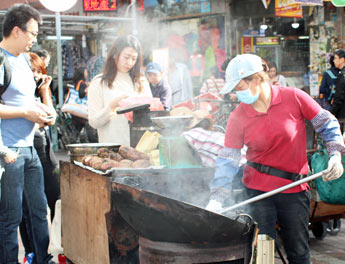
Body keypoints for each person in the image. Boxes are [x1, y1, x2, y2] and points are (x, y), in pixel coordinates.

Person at [206, 54, 344, 264]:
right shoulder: (238, 116)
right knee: (264, 253)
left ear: (257, 79)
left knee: (298, 251)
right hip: (258, 191)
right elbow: (228, 158)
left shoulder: (294, 97)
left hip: (295, 188)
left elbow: (327, 124)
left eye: (239, 86)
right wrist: (217, 196)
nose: (236, 93)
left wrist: (335, 155)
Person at [0, 4, 55, 264]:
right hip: (8, 150)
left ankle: (42, 258)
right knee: (10, 217)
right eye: (32, 33)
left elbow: (25, 100)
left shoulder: (23, 60)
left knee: (38, 211)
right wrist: (25, 113)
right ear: (16, 31)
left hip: (31, 147)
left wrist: (43, 110)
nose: (35, 39)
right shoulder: (0, 59)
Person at [19, 52, 60, 256]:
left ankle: (51, 247)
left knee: (56, 197)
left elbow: (51, 118)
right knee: (28, 207)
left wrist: (44, 91)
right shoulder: (17, 93)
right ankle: (32, 253)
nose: (36, 75)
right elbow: (47, 117)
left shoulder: (37, 92)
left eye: (38, 71)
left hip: (43, 144)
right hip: (25, 145)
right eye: (32, 71)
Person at [88, 35, 152, 145]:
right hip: (113, 150)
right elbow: (94, 122)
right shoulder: (99, 82)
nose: (130, 63)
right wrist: (111, 107)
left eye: (134, 59)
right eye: (126, 57)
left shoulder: (141, 81)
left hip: (140, 149)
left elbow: (151, 112)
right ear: (115, 55)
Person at [71, 66, 98, 143]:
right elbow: (81, 94)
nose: (87, 73)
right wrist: (88, 88)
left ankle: (72, 147)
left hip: (76, 112)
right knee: (91, 134)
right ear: (82, 73)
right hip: (83, 113)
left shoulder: (77, 83)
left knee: (76, 131)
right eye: (86, 72)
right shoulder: (82, 83)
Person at [330, 50, 345, 122]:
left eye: (335, 58)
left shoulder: (342, 75)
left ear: (342, 60)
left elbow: (339, 96)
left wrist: (332, 112)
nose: (333, 61)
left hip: (342, 113)